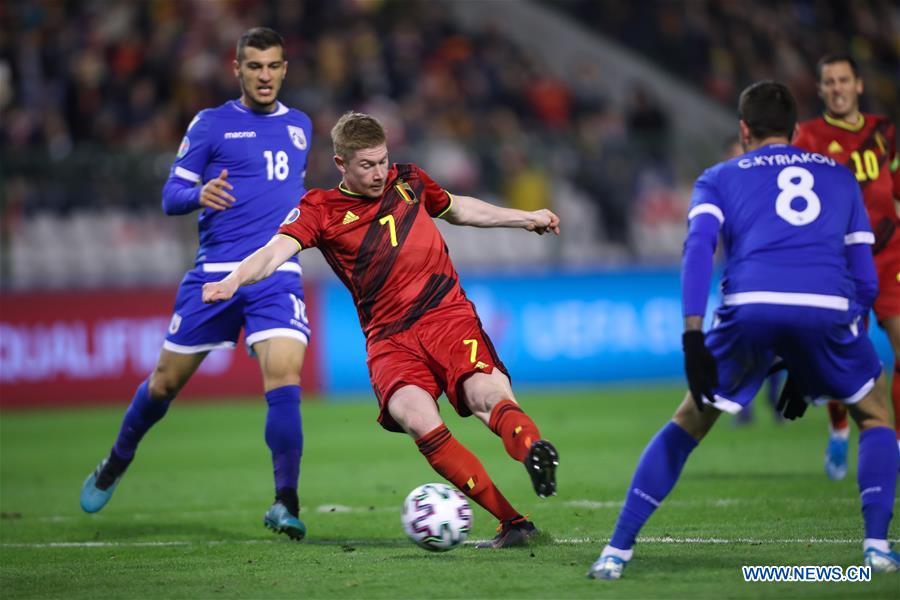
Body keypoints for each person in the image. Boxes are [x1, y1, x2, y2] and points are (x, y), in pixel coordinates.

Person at [202, 111, 561, 548]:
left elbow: (460, 207)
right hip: (390, 340)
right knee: (415, 417)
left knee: (485, 395)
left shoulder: (408, 181)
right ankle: (514, 523)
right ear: (341, 164)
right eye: (367, 165)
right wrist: (232, 280)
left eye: (383, 161)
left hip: (447, 316)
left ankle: (533, 452)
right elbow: (275, 251)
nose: (379, 174)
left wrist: (525, 217)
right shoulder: (320, 209)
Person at [588, 81, 899, 580]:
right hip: (826, 305)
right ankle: (877, 548)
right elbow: (864, 278)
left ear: (743, 130)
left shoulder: (718, 176)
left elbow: (697, 251)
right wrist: (816, 362)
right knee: (875, 412)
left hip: (750, 304)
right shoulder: (841, 177)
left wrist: (692, 335)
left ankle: (615, 551)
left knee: (688, 422)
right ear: (797, 131)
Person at [80, 28, 314, 541]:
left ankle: (286, 500)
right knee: (163, 384)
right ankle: (116, 461)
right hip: (213, 275)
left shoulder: (301, 126)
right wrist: (198, 193)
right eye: (255, 66)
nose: (265, 75)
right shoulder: (211, 124)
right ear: (237, 69)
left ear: (285, 68)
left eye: (273, 65)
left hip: (275, 273)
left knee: (285, 378)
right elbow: (170, 194)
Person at [793, 53, 900, 481]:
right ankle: (839, 427)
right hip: (838, 262)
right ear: (820, 90)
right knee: (839, 358)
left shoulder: (884, 132)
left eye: (844, 80)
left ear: (858, 85)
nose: (837, 88)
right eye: (829, 82)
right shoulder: (809, 137)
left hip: (889, 253)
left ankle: (893, 443)